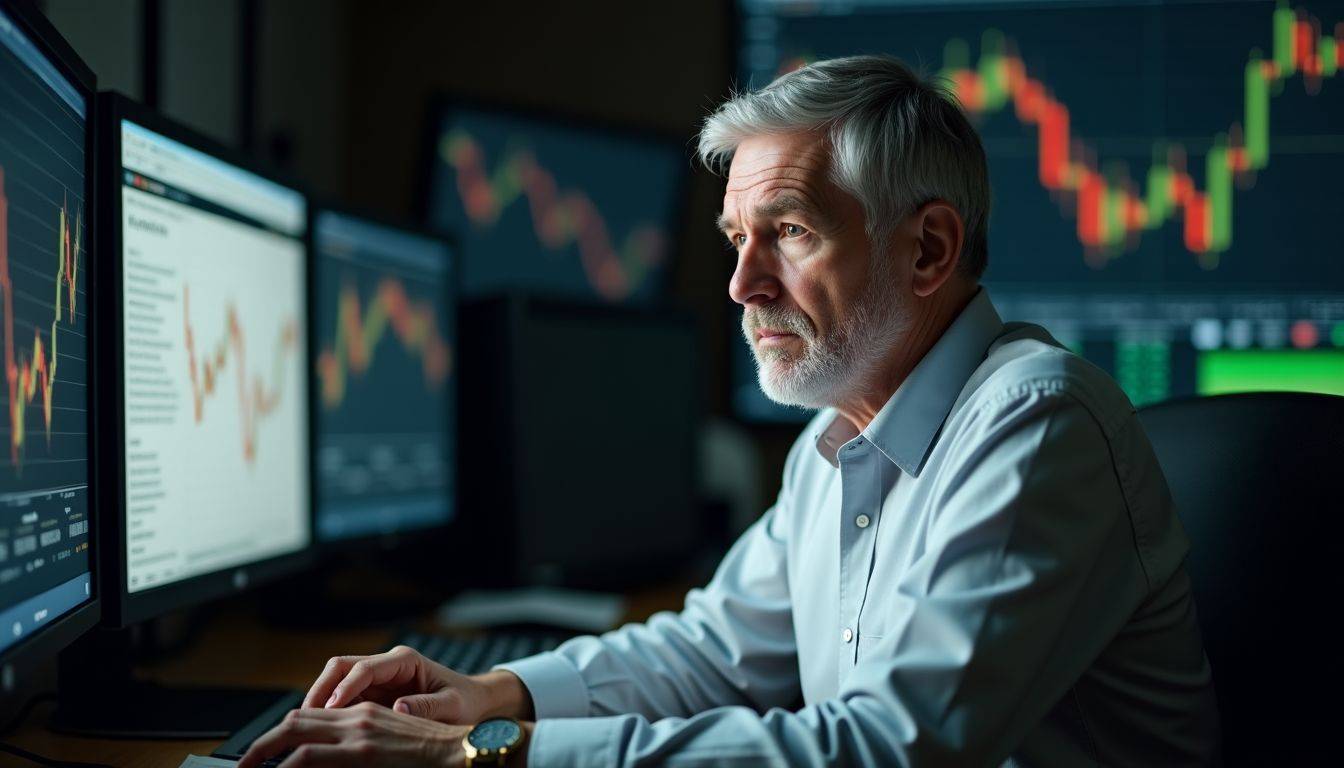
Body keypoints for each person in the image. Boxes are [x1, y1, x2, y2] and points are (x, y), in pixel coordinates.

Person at [240, 54, 1220, 768]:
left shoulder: (1036, 428)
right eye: (735, 240)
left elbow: (889, 750)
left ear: (927, 251)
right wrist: (492, 691)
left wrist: (484, 753)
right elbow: (713, 650)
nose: (743, 284)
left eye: (788, 232)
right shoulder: (836, 440)